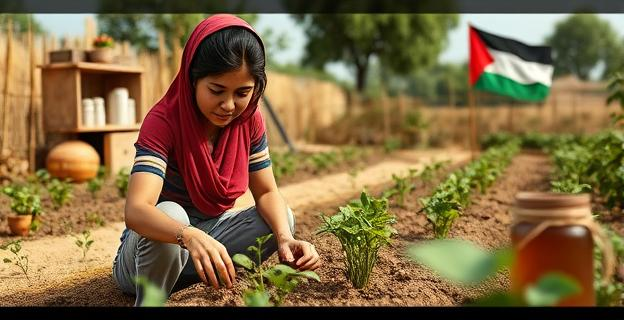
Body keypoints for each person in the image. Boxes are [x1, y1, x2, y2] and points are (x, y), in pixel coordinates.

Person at [111, 14, 321, 306]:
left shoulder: (249, 121)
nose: (229, 105)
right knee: (172, 212)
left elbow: (267, 192)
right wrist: (188, 235)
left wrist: (285, 238)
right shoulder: (164, 121)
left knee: (281, 216)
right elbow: (136, 210)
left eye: (243, 93)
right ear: (193, 79)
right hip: (145, 258)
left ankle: (203, 271)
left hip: (207, 242)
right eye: (216, 90)